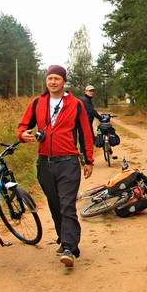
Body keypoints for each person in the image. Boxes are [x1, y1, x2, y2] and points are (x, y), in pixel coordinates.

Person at [17, 65, 94, 268]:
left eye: (57, 79)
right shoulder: (37, 103)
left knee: (67, 204)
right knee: (54, 204)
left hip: (68, 162)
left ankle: (69, 246)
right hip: (45, 163)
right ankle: (64, 238)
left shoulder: (76, 105)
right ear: (46, 81)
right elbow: (23, 125)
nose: (53, 82)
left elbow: (86, 134)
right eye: (50, 78)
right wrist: (22, 134)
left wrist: (89, 160)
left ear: (63, 81)